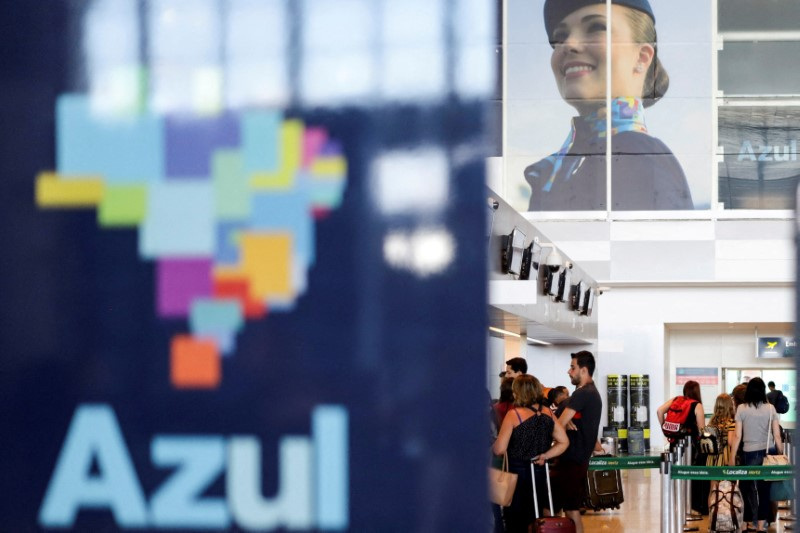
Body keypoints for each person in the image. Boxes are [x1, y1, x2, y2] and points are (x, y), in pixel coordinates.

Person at [525, 0, 693, 211]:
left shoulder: (634, 154)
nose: (568, 44)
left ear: (642, 57)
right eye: (560, 37)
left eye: (596, 27)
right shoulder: (569, 165)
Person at [492, 375, 569, 533]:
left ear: (518, 392)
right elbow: (564, 442)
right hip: (539, 472)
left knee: (515, 518)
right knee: (534, 514)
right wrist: (545, 455)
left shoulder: (514, 415)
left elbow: (499, 449)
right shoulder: (547, 413)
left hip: (516, 473)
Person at [552, 351, 602, 533]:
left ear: (584, 370)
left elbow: (557, 425)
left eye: (572, 368)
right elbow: (563, 422)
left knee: (570, 509)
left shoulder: (584, 393)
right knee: (567, 508)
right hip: (575, 459)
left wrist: (561, 423)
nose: (569, 371)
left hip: (572, 460)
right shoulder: (589, 393)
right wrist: (564, 421)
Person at [729, 377, 783, 533]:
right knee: (764, 490)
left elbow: (738, 436)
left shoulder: (741, 409)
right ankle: (761, 525)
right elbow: (776, 435)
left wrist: (732, 457)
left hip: (749, 452)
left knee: (747, 488)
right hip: (768, 452)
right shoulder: (771, 408)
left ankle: (747, 523)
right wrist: (780, 453)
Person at [656, 380, 707, 514]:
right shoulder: (697, 405)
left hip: (674, 443)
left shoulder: (676, 400)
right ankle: (692, 507)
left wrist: (664, 428)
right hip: (690, 446)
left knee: (677, 474)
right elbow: (702, 430)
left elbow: (659, 411)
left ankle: (678, 504)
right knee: (692, 475)